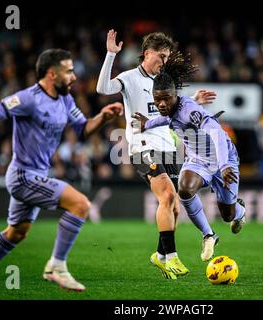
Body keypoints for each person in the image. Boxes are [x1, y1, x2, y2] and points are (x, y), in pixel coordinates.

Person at [0, 49, 123, 299]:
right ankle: (56, 265)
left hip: (36, 175)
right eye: (69, 71)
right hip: (23, 175)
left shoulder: (65, 100)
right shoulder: (28, 98)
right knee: (80, 204)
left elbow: (83, 129)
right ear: (51, 74)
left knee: (17, 232)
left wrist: (102, 117)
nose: (74, 77)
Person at [97, 30, 216, 278]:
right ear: (147, 52)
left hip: (168, 148)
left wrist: (193, 99)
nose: (163, 61)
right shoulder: (129, 78)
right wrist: (110, 55)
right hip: (142, 146)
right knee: (167, 194)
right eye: (161, 56)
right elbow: (102, 88)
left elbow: (173, 108)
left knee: (173, 207)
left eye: (166, 57)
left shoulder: (163, 81)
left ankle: (159, 256)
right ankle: (171, 257)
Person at [132, 51, 246, 261]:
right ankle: (209, 235)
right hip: (197, 161)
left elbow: (217, 133)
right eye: (158, 100)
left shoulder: (190, 110)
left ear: (176, 96)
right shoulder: (171, 110)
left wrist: (224, 166)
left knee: (227, 214)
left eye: (166, 99)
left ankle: (239, 211)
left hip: (223, 159)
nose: (162, 104)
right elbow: (167, 119)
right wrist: (147, 124)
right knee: (183, 189)